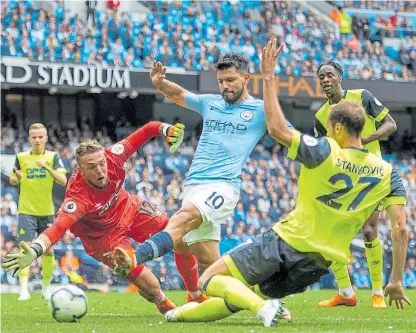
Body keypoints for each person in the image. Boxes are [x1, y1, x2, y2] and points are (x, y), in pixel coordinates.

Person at [162, 40, 410, 327]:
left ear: (337, 128)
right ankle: (175, 315)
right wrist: (397, 280)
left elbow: (278, 129)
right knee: (237, 298)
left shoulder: (325, 153)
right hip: (318, 263)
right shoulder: (387, 172)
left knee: (209, 280)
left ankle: (264, 308)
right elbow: (400, 228)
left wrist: (268, 77)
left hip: (286, 242)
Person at [112, 54, 292, 285]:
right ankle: (262, 297)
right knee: (208, 264)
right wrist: (159, 83)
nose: (225, 86)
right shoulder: (210, 103)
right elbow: (180, 95)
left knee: (182, 219)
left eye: (230, 80)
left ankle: (135, 258)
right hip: (194, 185)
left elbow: (288, 135)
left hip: (222, 185)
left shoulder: (259, 110)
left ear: (246, 78)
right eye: (221, 81)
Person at [3, 121, 204, 314]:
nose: (100, 170)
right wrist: (35, 250)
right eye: (91, 167)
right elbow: (58, 227)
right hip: (103, 238)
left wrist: (167, 130)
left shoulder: (114, 155)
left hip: (129, 209)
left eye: (101, 163)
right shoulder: (77, 196)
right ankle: (164, 305)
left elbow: (148, 130)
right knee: (151, 287)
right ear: (80, 170)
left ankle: (195, 296)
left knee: (179, 238)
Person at [314, 59, 397, 308]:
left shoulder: (362, 97)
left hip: (372, 176)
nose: (325, 80)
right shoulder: (320, 116)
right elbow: (322, 152)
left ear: (340, 78)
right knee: (329, 236)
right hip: (343, 182)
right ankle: (346, 293)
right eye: (321, 77)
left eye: (329, 75)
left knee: (370, 231)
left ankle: (377, 293)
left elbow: (391, 124)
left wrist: (365, 138)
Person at [9, 123, 67, 300]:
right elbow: (12, 180)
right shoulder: (21, 157)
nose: (37, 140)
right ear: (29, 138)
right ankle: (24, 289)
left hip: (47, 211)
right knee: (25, 248)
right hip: (26, 210)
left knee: (48, 251)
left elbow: (63, 180)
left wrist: (47, 168)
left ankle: (46, 288)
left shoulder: (53, 157)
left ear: (46, 138)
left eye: (40, 137)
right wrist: (16, 178)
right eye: (34, 137)